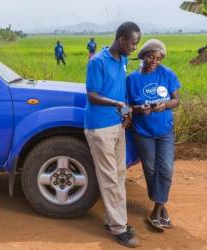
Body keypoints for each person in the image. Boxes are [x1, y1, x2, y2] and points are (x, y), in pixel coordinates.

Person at [84, 22, 141, 248]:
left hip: (118, 124)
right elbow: (92, 95)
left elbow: (121, 89)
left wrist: (125, 110)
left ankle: (112, 219)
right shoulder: (97, 62)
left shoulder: (123, 60)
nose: (135, 48)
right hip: (99, 127)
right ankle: (119, 228)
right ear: (122, 40)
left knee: (119, 174)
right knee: (109, 178)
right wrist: (116, 103)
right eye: (133, 43)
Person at [126, 39, 181, 232]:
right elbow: (127, 106)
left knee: (165, 168)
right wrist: (138, 109)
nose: (154, 61)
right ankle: (161, 207)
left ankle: (156, 210)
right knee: (150, 170)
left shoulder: (167, 74)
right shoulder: (132, 79)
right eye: (151, 56)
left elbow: (176, 99)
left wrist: (164, 105)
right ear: (143, 55)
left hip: (165, 130)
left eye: (158, 58)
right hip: (143, 132)